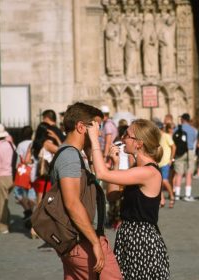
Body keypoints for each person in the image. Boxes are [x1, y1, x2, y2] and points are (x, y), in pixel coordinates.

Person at [87, 118, 170, 279]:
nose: (123, 138)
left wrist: (94, 139)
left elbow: (102, 174)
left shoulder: (149, 172)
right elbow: (112, 196)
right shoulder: (137, 170)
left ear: (139, 143)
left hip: (142, 241)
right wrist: (115, 163)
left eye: (127, 135)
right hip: (130, 237)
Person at [53, 102, 122, 279]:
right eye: (96, 127)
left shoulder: (76, 155)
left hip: (79, 240)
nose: (99, 133)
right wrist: (95, 243)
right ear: (81, 127)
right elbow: (72, 203)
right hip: (84, 241)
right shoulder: (69, 157)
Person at [13, 126, 36, 228]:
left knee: (18, 193)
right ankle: (32, 214)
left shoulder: (20, 145)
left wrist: (15, 170)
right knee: (32, 194)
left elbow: (18, 159)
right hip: (33, 171)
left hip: (23, 171)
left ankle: (28, 212)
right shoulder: (35, 144)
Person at [173, 113, 198, 201]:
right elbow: (194, 140)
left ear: (182, 119)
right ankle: (187, 195)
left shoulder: (177, 128)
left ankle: (177, 194)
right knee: (188, 173)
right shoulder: (193, 130)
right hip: (190, 151)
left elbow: (173, 138)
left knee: (178, 173)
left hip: (179, 152)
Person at [156, 121, 175, 208]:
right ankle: (162, 200)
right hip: (158, 162)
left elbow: (174, 146)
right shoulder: (157, 137)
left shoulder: (166, 136)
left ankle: (172, 196)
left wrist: (171, 158)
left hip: (165, 162)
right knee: (159, 182)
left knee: (164, 180)